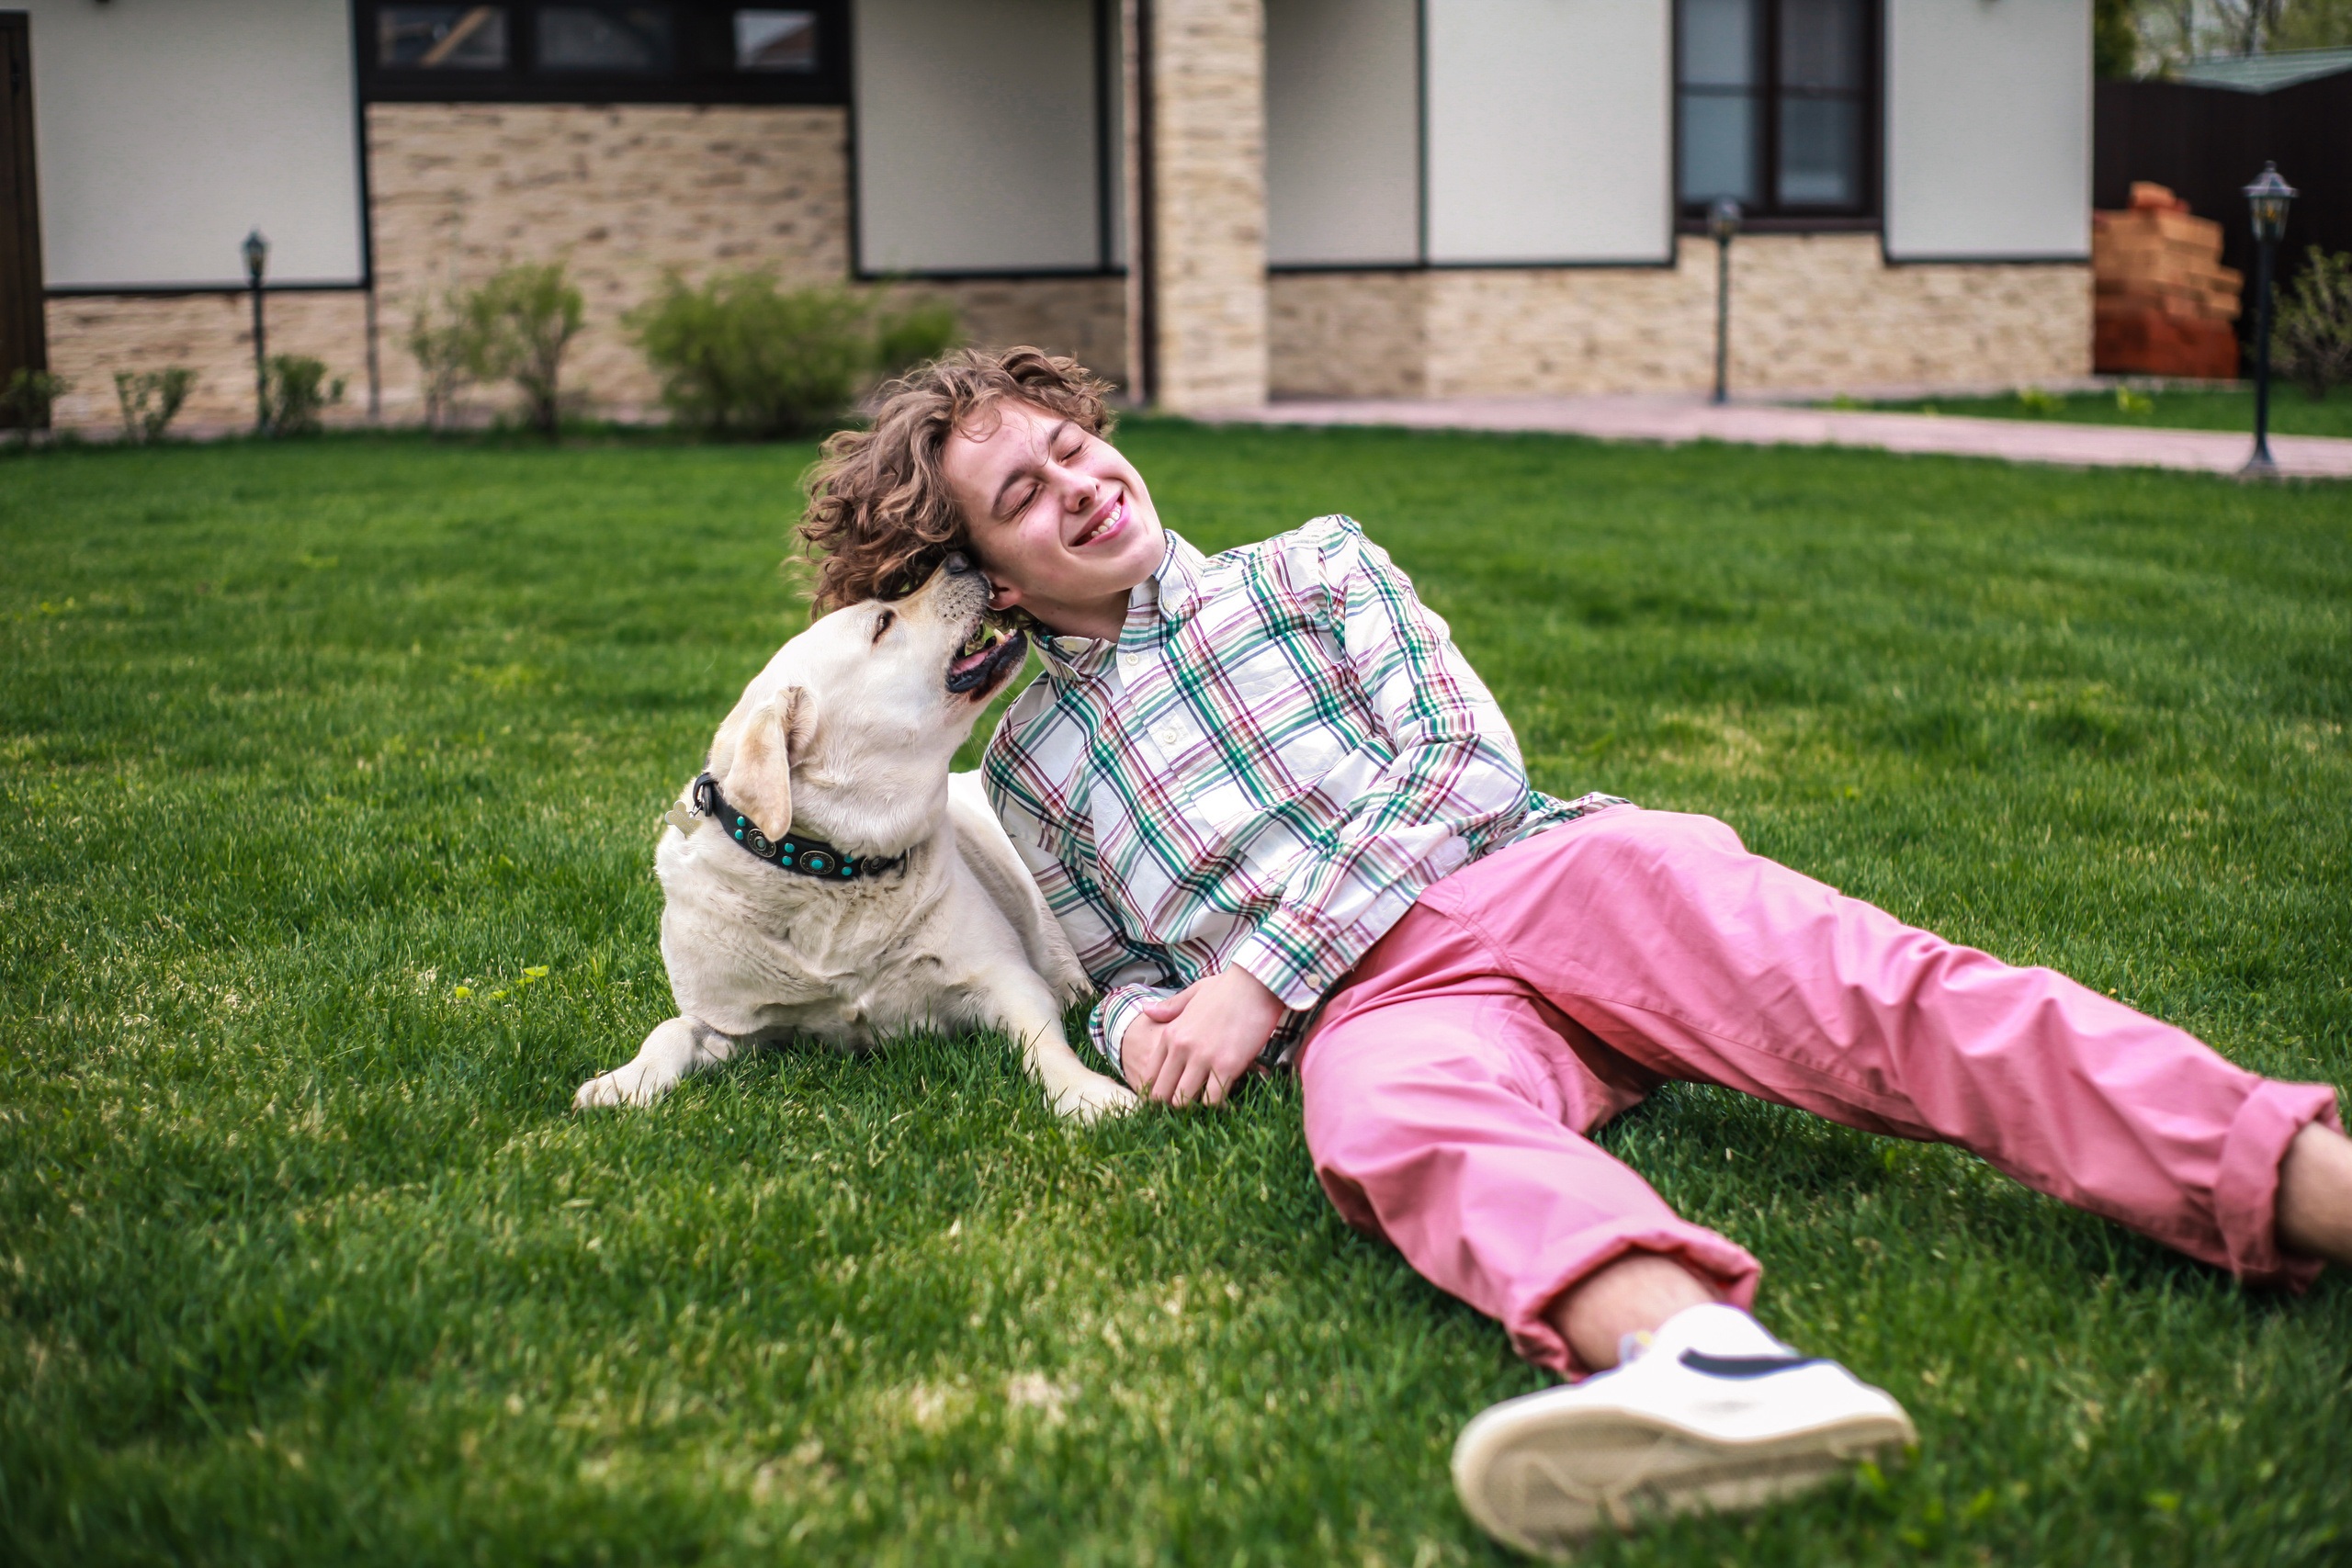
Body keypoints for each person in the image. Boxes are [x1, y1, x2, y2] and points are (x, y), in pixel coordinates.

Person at [797, 347, 2352, 1555]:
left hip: (1549, 873)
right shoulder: (1036, 769)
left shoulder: (1311, 568)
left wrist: (1255, 979)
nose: (1079, 484)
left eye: (1072, 446)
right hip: (1381, 1010)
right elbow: (1127, 962)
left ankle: (2295, 1181)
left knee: (1882, 996)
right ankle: (1710, 1373)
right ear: (991, 579)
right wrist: (1150, 1030)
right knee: (1386, 1123)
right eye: (1025, 496)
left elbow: (1458, 763)